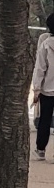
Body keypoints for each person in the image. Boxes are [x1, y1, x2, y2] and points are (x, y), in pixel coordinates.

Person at [32, 13, 54, 162]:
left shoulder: (46, 44)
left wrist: (36, 88)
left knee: (44, 120)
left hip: (48, 89)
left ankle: (41, 149)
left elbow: (40, 68)